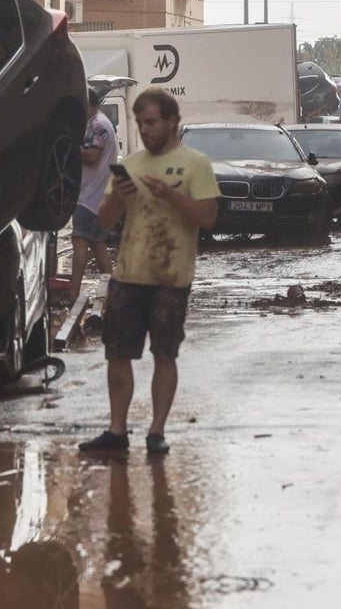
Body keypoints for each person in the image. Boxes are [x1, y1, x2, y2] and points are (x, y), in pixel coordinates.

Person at [78, 88, 219, 456]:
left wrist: (170, 196)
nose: (145, 129)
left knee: (164, 353)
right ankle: (117, 430)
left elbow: (208, 217)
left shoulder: (195, 164)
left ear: (172, 121)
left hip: (170, 277)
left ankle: (156, 432)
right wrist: (119, 198)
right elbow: (106, 222)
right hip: (127, 275)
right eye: (140, 123)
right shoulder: (133, 164)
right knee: (117, 354)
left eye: (152, 122)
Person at [68, 88, 117, 305]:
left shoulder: (97, 125)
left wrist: (70, 148)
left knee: (79, 241)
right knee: (98, 244)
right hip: (99, 195)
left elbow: (92, 156)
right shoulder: (102, 122)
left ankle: (73, 295)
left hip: (88, 196)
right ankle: (114, 292)